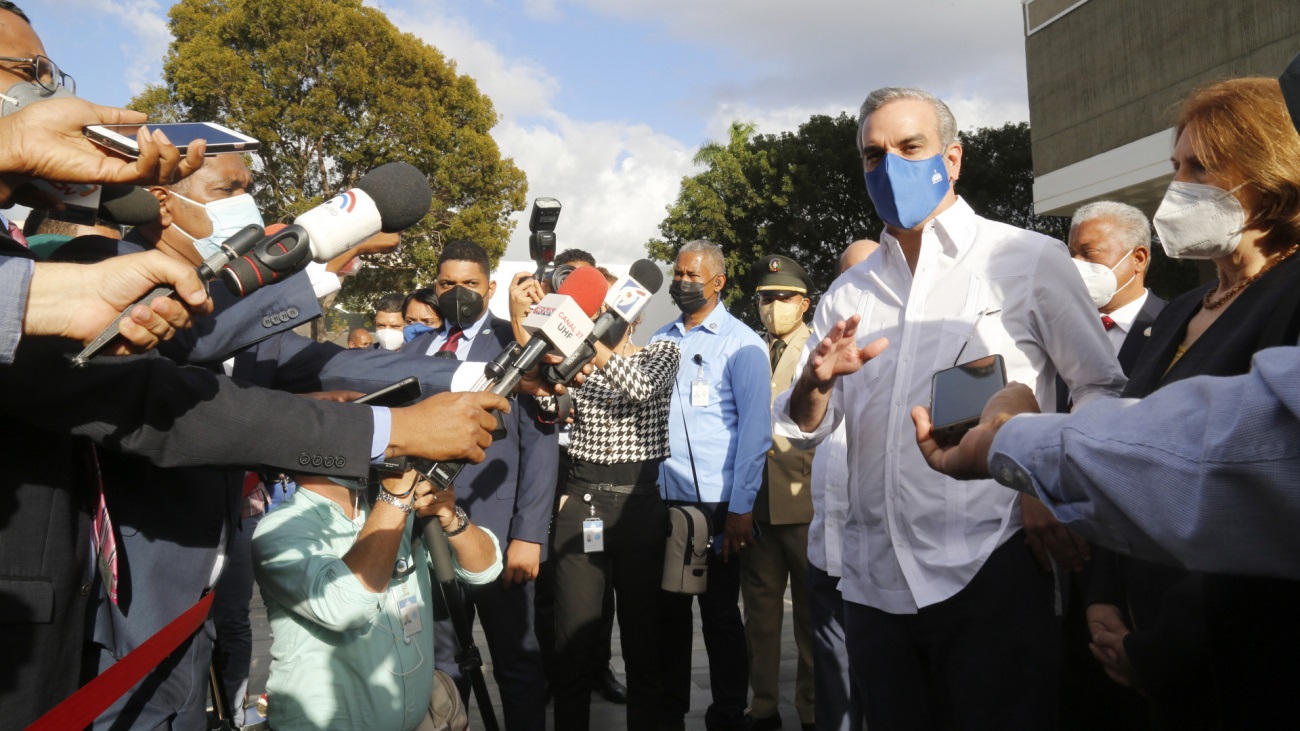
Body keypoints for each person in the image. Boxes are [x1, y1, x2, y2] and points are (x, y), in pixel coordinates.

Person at [774, 87, 1126, 729]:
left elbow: (1100, 387)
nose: (891, 167)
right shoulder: (847, 293)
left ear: (953, 158)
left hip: (992, 565)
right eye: (874, 155)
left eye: (911, 147)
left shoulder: (1027, 260)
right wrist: (815, 385)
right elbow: (804, 429)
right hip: (874, 584)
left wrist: (1049, 484)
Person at [1080, 77, 1300, 727]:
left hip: (1242, 660)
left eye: (1200, 167)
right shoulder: (1179, 312)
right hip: (1144, 636)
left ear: (1269, 176)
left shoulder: (1291, 299)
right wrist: (1102, 593)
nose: (1176, 188)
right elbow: (1127, 457)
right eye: (1175, 166)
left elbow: (1259, 500)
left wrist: (1159, 650)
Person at [406, 239, 557, 731]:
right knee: (443, 668)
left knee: (516, 661)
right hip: (427, 537)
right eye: (448, 283)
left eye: (470, 284)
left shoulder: (519, 345)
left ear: (490, 288)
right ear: (435, 287)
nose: (458, 293)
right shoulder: (415, 350)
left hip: (499, 538)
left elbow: (541, 447)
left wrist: (529, 535)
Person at [252, 468, 502, 731]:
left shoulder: (391, 512)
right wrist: (396, 497)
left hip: (418, 720)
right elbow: (347, 609)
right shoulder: (280, 528)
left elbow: (485, 569)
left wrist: (452, 521)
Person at [548, 266, 679, 730]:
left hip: (638, 508)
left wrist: (589, 342)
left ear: (636, 314)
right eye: (597, 309)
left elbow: (640, 388)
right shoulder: (574, 361)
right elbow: (546, 406)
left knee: (645, 641)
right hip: (582, 502)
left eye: (614, 308)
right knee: (573, 643)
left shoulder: (662, 351)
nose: (605, 316)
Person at [652, 239, 771, 731]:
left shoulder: (743, 344)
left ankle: (727, 713)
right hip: (665, 501)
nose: (681, 283)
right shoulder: (660, 338)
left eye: (691, 276)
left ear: (717, 282)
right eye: (677, 274)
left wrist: (742, 509)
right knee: (668, 617)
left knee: (720, 617)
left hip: (719, 505)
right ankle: (669, 712)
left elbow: (756, 434)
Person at [1060, 200, 1165, 729]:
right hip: (1059, 560)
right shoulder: (1056, 332)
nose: (1076, 266)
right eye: (1070, 254)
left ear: (1138, 258)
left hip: (1135, 568)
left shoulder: (1174, 329)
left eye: (1089, 253)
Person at [742, 255, 816, 731]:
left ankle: (812, 709)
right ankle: (763, 707)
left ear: (804, 303)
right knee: (760, 616)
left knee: (812, 616)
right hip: (758, 504)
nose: (772, 307)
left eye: (783, 297)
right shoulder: (752, 348)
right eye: (765, 299)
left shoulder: (818, 347)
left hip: (807, 501)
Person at [806, 239, 875, 731]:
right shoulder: (823, 350)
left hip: (877, 558)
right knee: (834, 683)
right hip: (825, 554)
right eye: (848, 276)